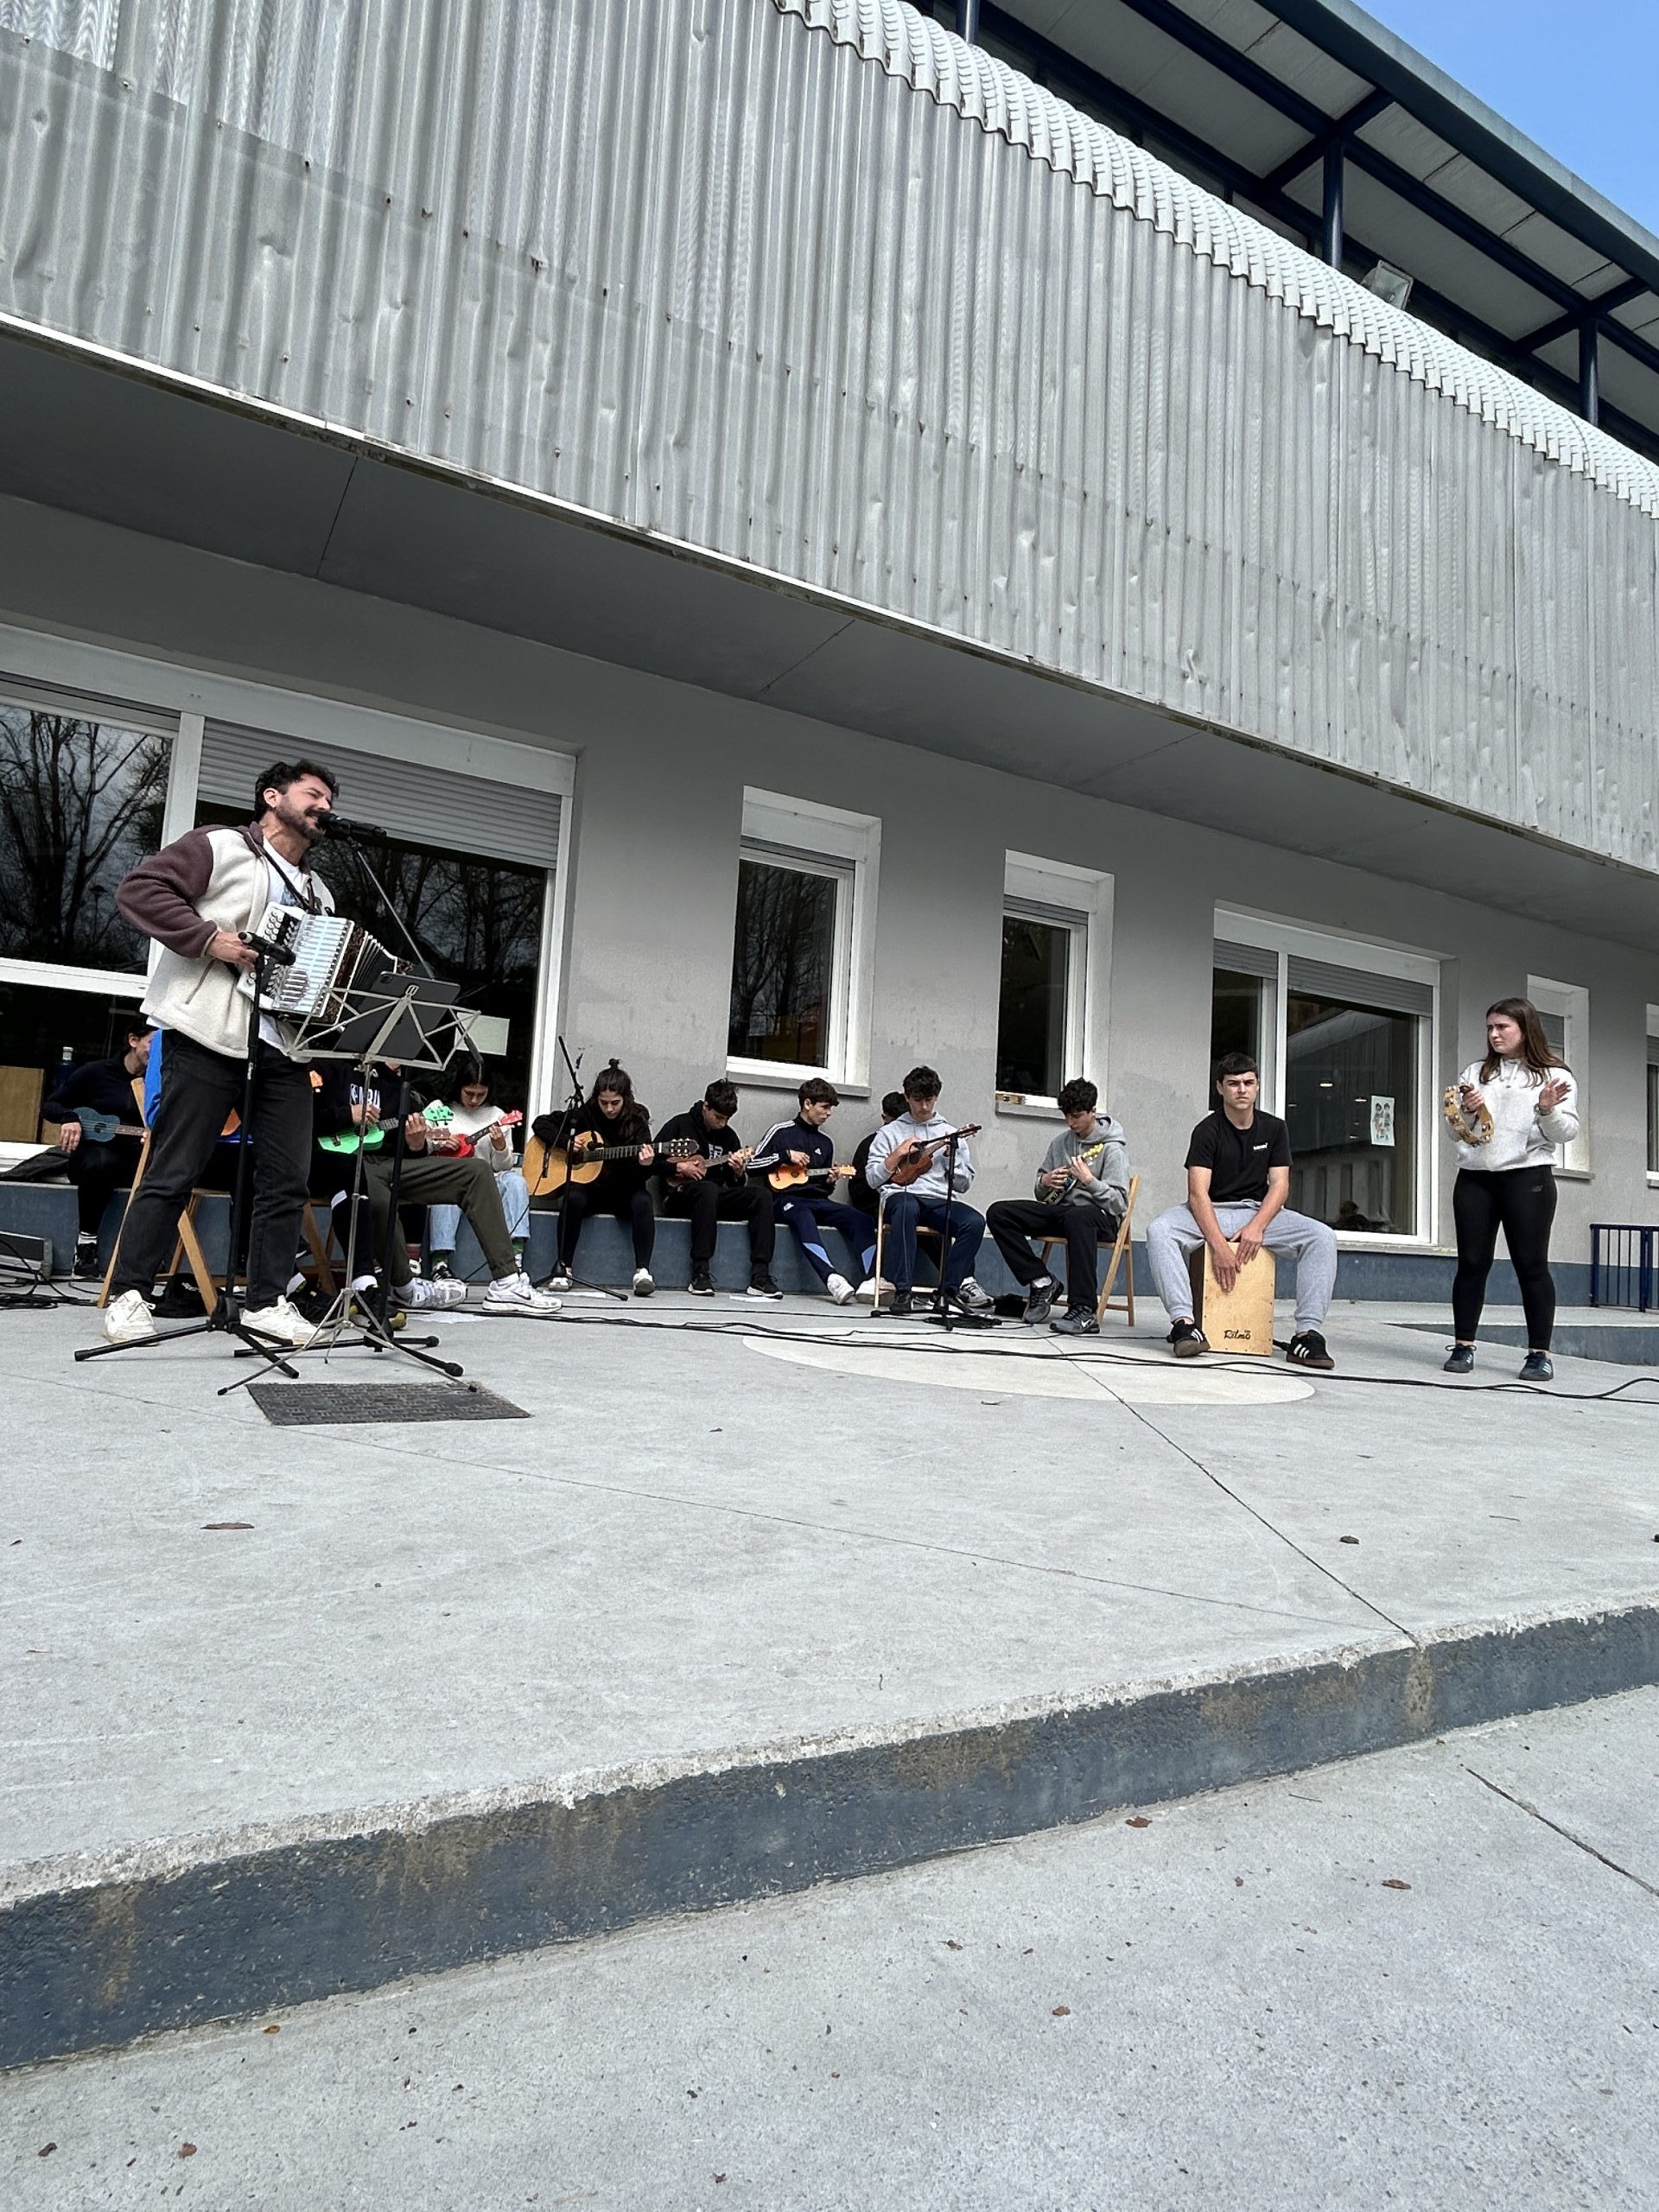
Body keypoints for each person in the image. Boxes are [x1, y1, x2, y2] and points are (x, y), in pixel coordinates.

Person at [99, 760, 342, 1348]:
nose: (324, 807)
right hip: (207, 1033)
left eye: (330, 801)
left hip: (283, 1047)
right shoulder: (222, 846)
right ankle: (129, 1295)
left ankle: (267, 1302)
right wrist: (210, 939)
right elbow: (140, 890)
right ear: (272, 797)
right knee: (174, 1168)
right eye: (313, 794)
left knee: (287, 1179)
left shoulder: (321, 893)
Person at [311, 1060, 559, 1316]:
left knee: (477, 1172)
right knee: (378, 1195)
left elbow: (409, 1146)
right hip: (341, 1163)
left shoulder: (395, 1085)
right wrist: (346, 1114)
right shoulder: (331, 1069)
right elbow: (304, 1117)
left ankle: (507, 1281)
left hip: (392, 1164)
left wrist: (417, 1143)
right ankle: (403, 1285)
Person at [1147, 1052, 1338, 1369]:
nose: (1242, 1090)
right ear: (1220, 1088)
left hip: (1257, 1212)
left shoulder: (1274, 1129)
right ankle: (1184, 1324)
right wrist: (1219, 1246)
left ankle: (1307, 1334)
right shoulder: (1207, 1130)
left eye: (1248, 1082)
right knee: (1159, 1230)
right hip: (1211, 1210)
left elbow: (1280, 1186)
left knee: (1322, 1237)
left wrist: (1256, 1227)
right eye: (1233, 1083)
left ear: (1258, 1085)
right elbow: (1197, 1194)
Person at [1443, 997, 1580, 1382]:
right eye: (1490, 1027)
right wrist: (1468, 1110)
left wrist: (1547, 1109)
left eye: (1502, 1027)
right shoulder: (1476, 1072)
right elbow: (1456, 1133)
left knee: (1531, 1265)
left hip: (1527, 1178)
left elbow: (1567, 1133)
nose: (1494, 1034)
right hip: (1475, 1178)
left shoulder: (1554, 1075)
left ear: (1525, 1028)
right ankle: (1463, 1346)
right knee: (1471, 1263)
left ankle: (1539, 1355)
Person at [986, 1077, 1129, 1336]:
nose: (1070, 1122)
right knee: (999, 1213)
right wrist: (1044, 1181)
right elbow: (1042, 1194)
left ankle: (1084, 1309)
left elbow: (1119, 1202)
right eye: (1067, 1116)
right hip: (1065, 1213)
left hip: (1100, 1218)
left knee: (1079, 1217)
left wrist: (1090, 1181)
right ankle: (1041, 1281)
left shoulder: (1112, 1149)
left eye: (1077, 1116)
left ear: (1093, 1111)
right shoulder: (1060, 1143)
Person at [864, 1065, 988, 1318]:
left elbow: (963, 1185)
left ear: (936, 1097)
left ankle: (948, 1291)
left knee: (975, 1222)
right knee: (906, 1207)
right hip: (900, 1195)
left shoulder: (950, 1133)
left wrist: (952, 1157)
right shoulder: (889, 1133)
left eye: (929, 1100)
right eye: (917, 1100)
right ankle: (903, 1291)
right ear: (907, 1097)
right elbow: (872, 1179)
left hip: (938, 1199)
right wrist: (896, 1155)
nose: (923, 1106)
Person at [37, 1025, 153, 1277]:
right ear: (133, 1040)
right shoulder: (97, 1072)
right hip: (93, 1162)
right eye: (152, 1043)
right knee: (101, 1161)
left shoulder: (159, 1080)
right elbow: (50, 1105)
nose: (157, 1053)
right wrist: (69, 1118)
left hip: (134, 1159)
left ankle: (147, 1254)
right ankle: (86, 1243)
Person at [654, 1080, 780, 1299]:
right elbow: (651, 1164)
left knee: (761, 1195)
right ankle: (700, 1273)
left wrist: (738, 1172)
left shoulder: (729, 1136)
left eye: (727, 1119)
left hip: (714, 1198)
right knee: (708, 1190)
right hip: (679, 1196)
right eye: (718, 1117)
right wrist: (679, 1167)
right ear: (706, 1106)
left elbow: (735, 1185)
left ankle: (760, 1276)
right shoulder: (680, 1124)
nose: (722, 1123)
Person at [756, 1077, 877, 1306]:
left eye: (831, 1108)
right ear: (807, 1104)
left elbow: (821, 1186)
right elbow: (752, 1166)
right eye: (825, 1107)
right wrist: (785, 1155)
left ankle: (872, 1280)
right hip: (785, 1199)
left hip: (818, 1200)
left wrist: (830, 1181)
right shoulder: (781, 1131)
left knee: (861, 1219)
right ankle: (831, 1278)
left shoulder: (826, 1142)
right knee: (804, 1216)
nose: (829, 1113)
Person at [544, 1058, 658, 1296]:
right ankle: (564, 1268)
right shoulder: (586, 1114)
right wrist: (565, 1142)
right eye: (603, 1102)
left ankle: (643, 1272)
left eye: (615, 1103)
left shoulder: (637, 1120)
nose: (609, 1109)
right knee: (572, 1197)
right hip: (591, 1189)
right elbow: (541, 1124)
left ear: (625, 1098)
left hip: (623, 1191)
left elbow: (642, 1174)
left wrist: (646, 1164)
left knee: (644, 1201)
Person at [424, 1059, 531, 1281]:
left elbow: (503, 1166)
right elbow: (418, 1141)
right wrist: (438, 1143)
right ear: (459, 1087)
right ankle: (440, 1263)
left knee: (516, 1182)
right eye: (469, 1093)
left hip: (484, 1181)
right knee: (445, 1188)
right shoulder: (439, 1109)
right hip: (451, 1176)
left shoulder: (497, 1116)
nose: (474, 1100)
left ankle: (515, 1257)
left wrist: (500, 1147)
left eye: (481, 1094)